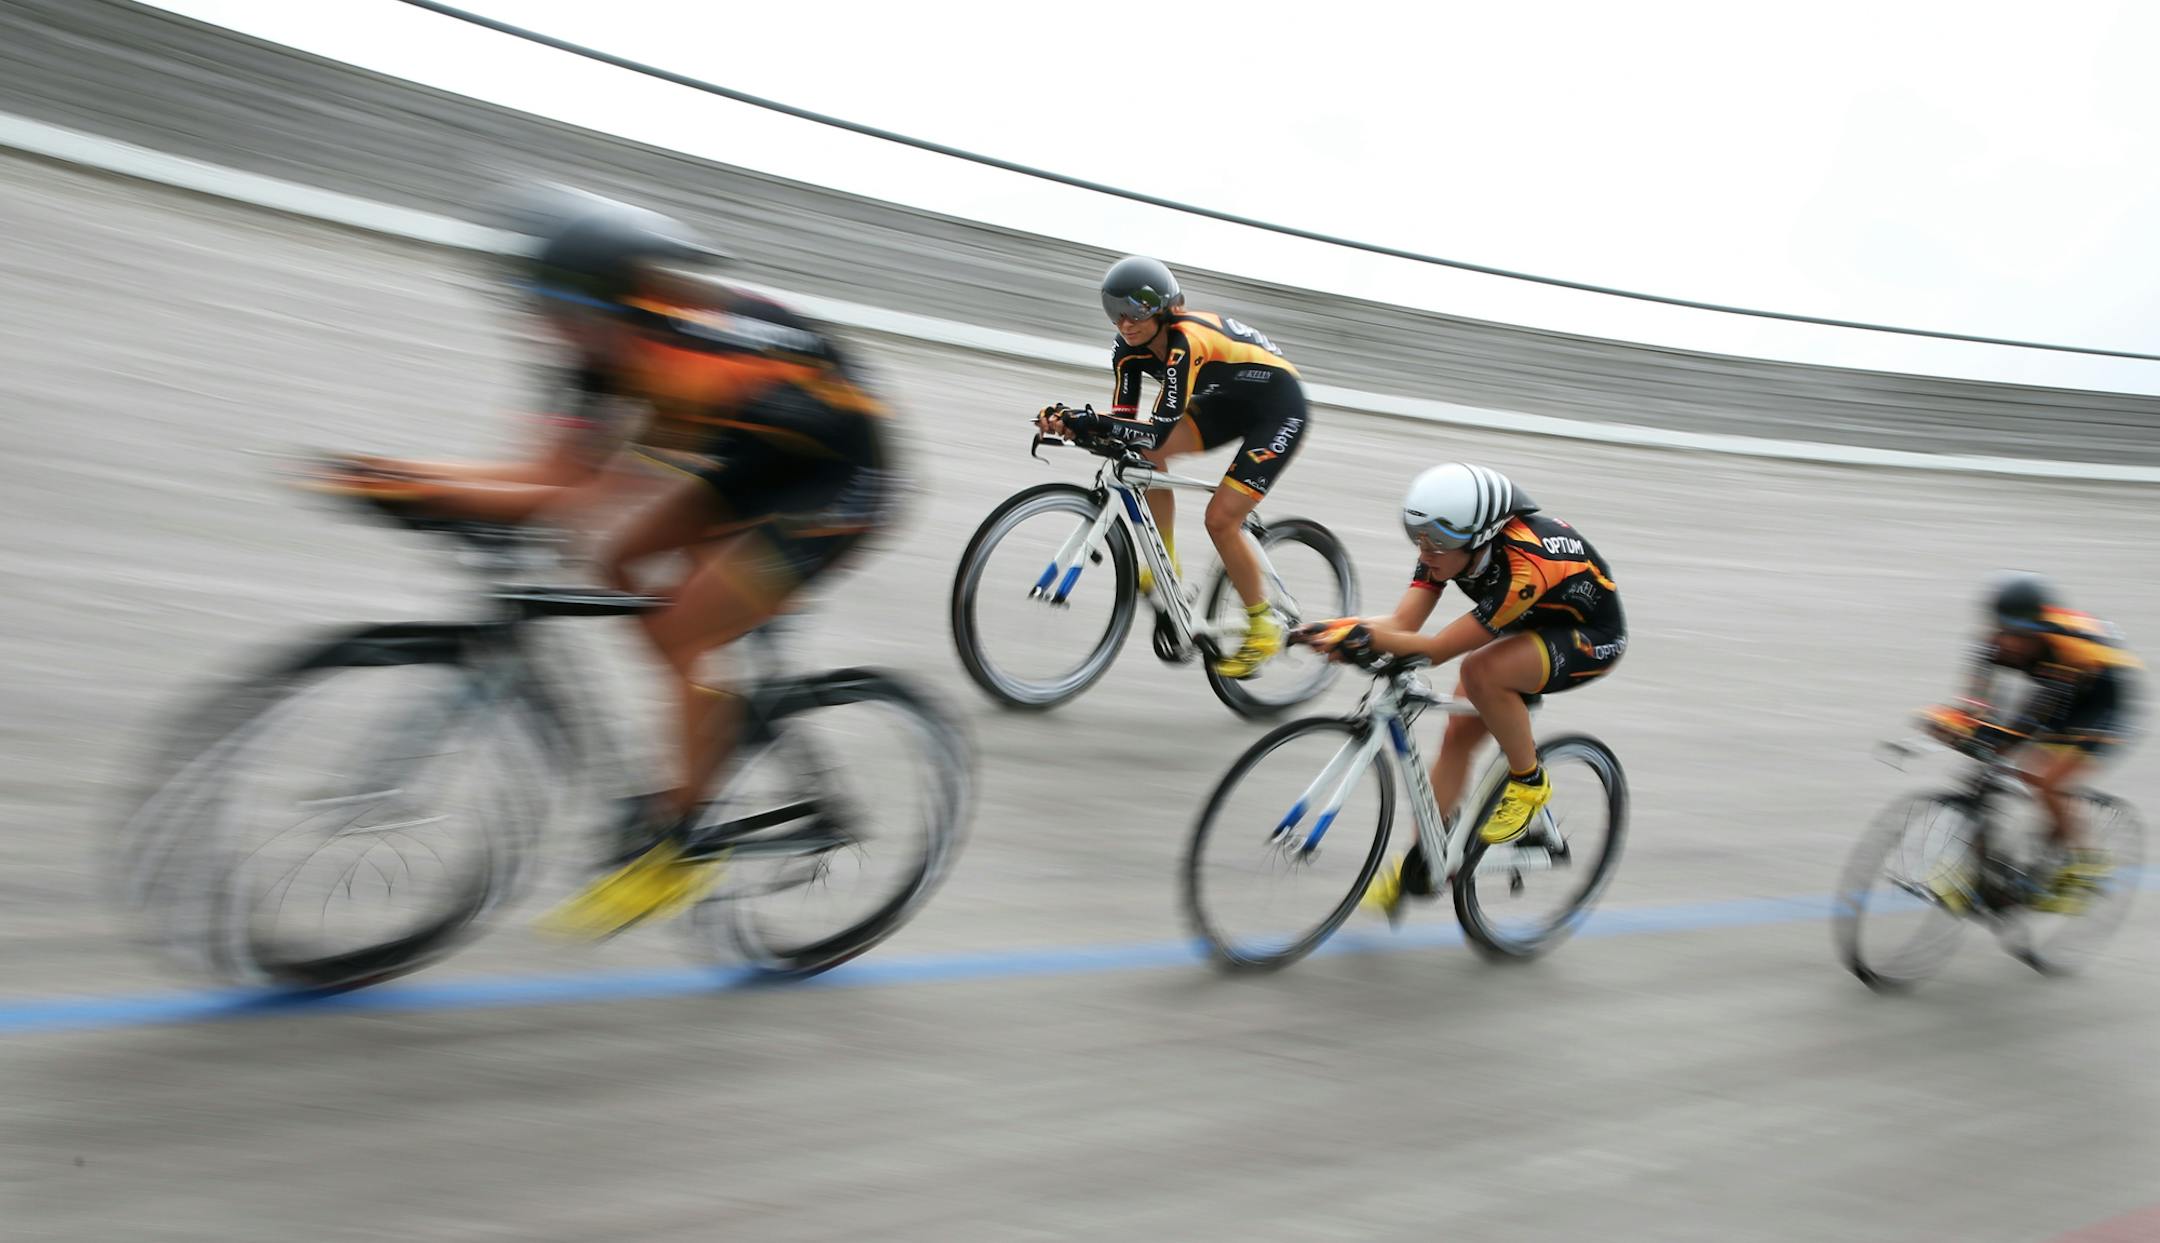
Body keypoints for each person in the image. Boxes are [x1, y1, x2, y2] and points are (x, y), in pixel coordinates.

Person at [309, 192, 895, 935]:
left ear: (619, 304)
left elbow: (574, 494)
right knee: (621, 562)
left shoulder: (685, 358)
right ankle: (708, 709)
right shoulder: (599, 351)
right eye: (540, 310)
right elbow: (548, 471)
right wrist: (402, 474)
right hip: (760, 457)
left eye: (563, 313)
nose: (548, 330)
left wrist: (421, 490)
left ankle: (679, 844)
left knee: (685, 627)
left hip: (839, 478)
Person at [1299, 463, 1626, 923]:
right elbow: (1403, 624)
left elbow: (1435, 650)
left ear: (1480, 536)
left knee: (1481, 671)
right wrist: (1333, 628)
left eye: (1436, 542)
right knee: (1457, 735)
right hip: (1529, 623)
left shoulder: (1522, 564)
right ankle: (1428, 858)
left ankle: (1529, 782)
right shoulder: (1446, 546)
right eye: (1418, 538)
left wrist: (1363, 639)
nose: (1425, 551)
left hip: (1589, 636)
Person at [1035, 256, 1310, 679]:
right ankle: (1168, 567)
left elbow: (1157, 430)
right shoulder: (1126, 350)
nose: (1125, 323)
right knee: (1143, 457)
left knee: (1220, 519)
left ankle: (1263, 625)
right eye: (1114, 312)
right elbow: (1125, 424)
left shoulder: (1185, 341)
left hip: (1279, 408)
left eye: (1135, 311)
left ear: (1164, 310)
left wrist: (1087, 420)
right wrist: (1075, 425)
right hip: (1225, 404)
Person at [1921, 572, 2141, 914]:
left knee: (2045, 780)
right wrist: (1953, 724)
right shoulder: (1992, 644)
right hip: (2065, 692)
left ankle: (2086, 863)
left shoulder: (2063, 649)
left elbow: (2030, 721)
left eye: (2022, 635)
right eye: (2005, 631)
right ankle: (1974, 871)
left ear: (2039, 629)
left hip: (2103, 699)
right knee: (1983, 773)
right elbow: (1976, 704)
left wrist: (1992, 741)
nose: (2011, 642)